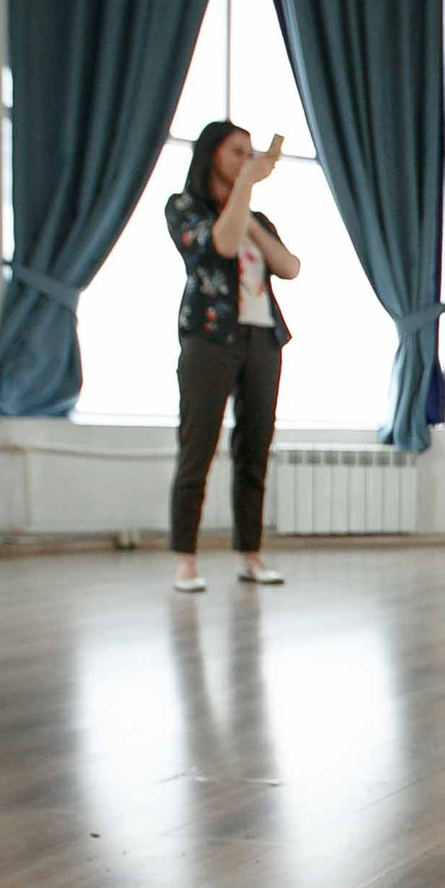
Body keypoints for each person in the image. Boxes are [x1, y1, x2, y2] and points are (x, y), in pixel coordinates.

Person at [166, 121, 299, 593]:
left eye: (250, 153)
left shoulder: (257, 220)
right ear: (212, 156)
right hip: (208, 338)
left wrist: (252, 218)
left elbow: (289, 267)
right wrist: (244, 188)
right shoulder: (184, 209)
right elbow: (219, 245)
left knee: (255, 447)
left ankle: (251, 554)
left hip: (262, 340)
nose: (247, 159)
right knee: (197, 446)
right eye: (236, 152)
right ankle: (185, 559)